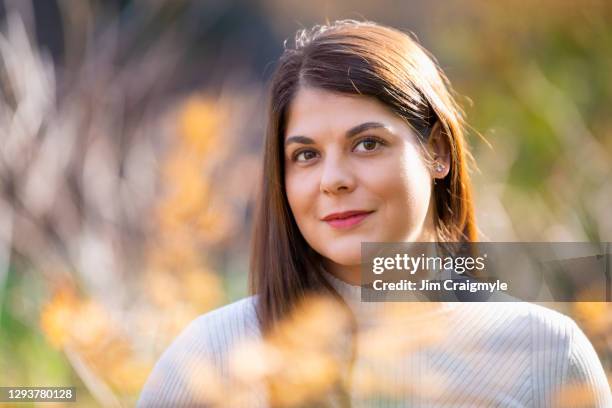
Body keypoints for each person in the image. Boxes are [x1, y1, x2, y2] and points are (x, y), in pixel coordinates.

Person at [138, 20, 611, 407]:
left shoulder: (546, 350)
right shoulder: (212, 355)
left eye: (367, 144)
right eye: (306, 155)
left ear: (439, 153)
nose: (333, 179)